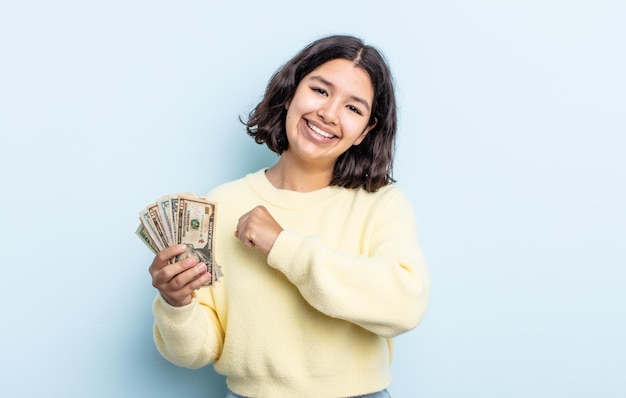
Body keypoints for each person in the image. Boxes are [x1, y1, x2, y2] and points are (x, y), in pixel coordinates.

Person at [148, 34, 430, 398]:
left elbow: (404, 306)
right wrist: (176, 304)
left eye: (354, 108)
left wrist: (282, 245)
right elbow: (195, 351)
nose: (328, 114)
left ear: (366, 131)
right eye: (321, 90)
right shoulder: (221, 205)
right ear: (292, 92)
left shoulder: (380, 203)